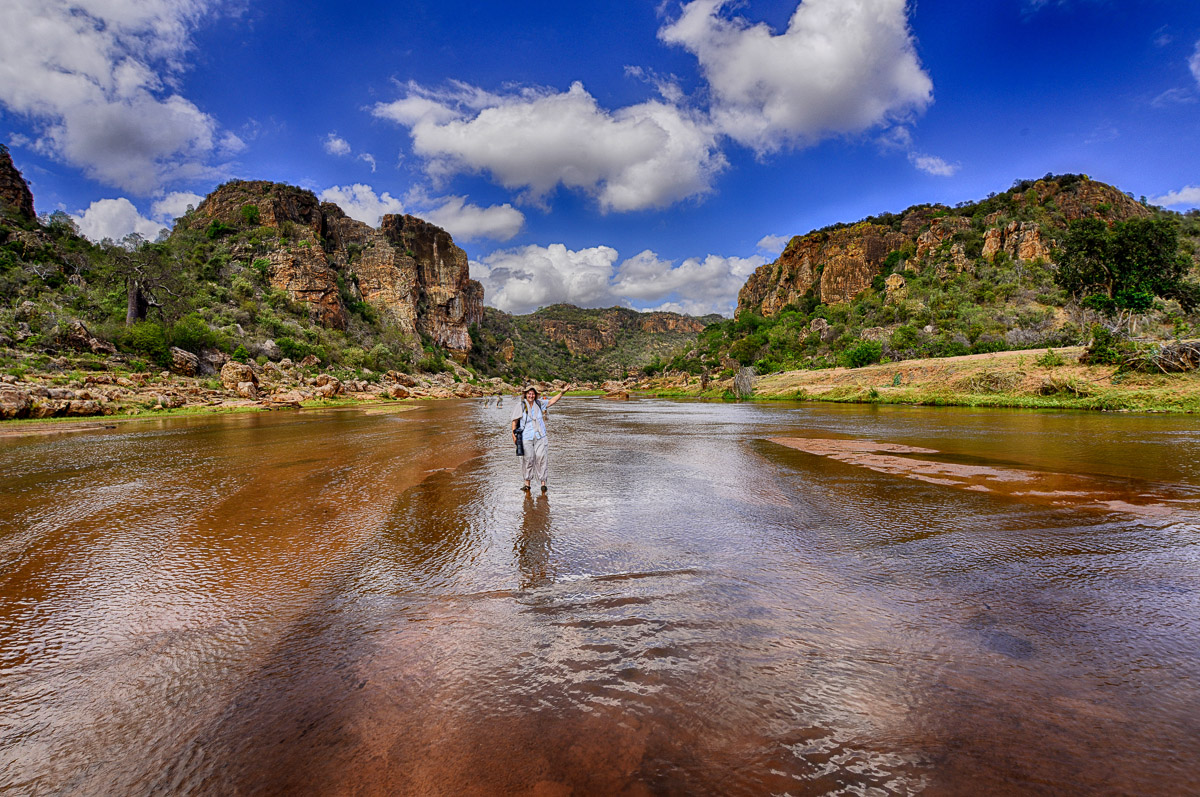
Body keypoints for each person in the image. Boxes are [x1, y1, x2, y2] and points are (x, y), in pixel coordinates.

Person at [510, 384, 568, 493]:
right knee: (528, 459)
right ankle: (527, 484)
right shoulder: (520, 406)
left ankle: (543, 484)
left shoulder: (539, 403)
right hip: (526, 437)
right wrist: (513, 436)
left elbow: (551, 402)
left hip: (540, 436)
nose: (531, 395)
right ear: (526, 395)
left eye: (533, 394)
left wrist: (562, 392)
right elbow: (514, 422)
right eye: (529, 394)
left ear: (535, 395)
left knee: (542, 458)